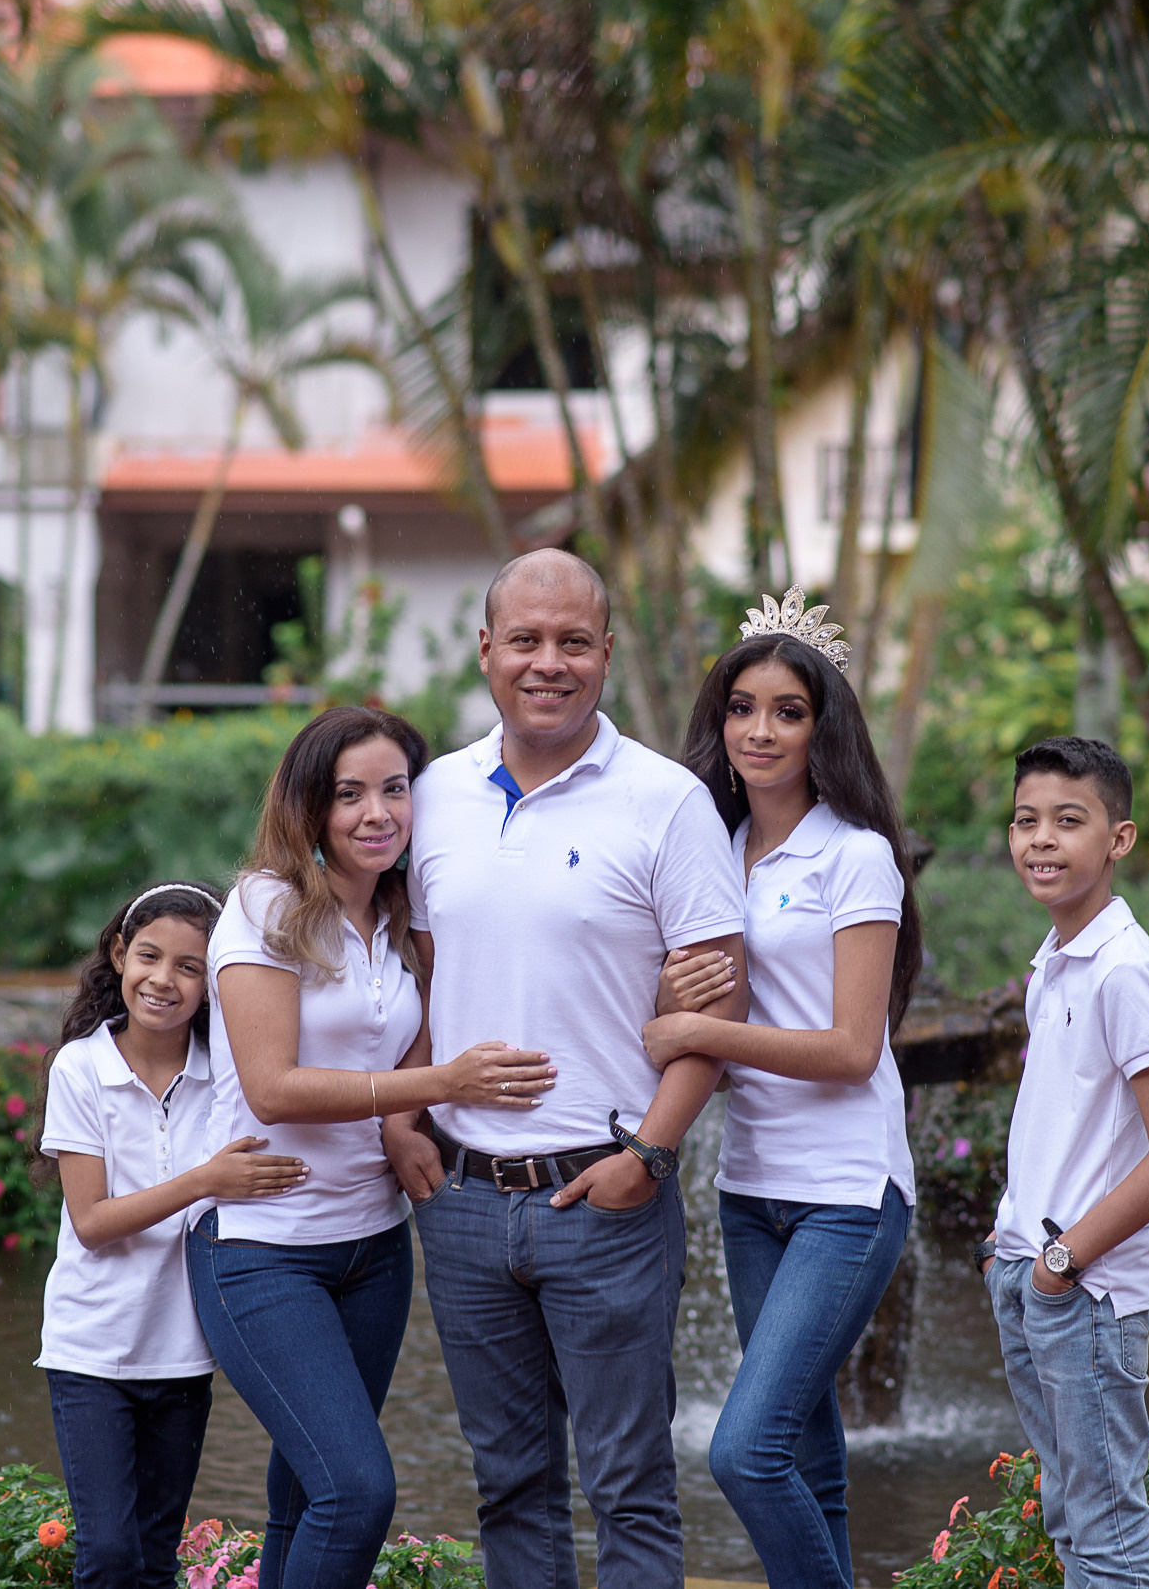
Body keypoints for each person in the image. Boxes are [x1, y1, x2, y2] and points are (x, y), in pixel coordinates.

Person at [381, 548, 751, 1589]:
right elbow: (425, 965)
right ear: (487, 650)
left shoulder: (666, 802)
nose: (550, 662)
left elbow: (721, 1007)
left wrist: (650, 1150)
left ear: (607, 654)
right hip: (460, 1199)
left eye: (573, 642)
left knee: (630, 1484)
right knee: (510, 1485)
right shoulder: (436, 796)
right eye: (528, 640)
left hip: (607, 1197)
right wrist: (402, 1113)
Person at [195, 705, 559, 1589]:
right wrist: (437, 1089)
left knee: (303, 1496)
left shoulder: (399, 918)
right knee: (358, 1493)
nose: (376, 813)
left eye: (394, 789)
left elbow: (444, 1014)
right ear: (310, 808)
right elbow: (274, 1087)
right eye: (348, 794)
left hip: (372, 1247)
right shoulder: (266, 910)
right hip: (263, 1250)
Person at [640, 600, 923, 1589]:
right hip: (752, 1188)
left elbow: (852, 1048)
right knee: (805, 1449)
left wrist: (698, 1028)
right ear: (718, 723)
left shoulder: (856, 856)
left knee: (743, 1450)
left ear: (822, 728)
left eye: (788, 711)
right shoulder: (702, 847)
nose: (761, 731)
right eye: (743, 708)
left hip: (847, 1189)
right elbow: (676, 996)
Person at [32, 880, 309, 1589]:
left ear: (216, 982)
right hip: (92, 1351)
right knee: (111, 1557)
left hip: (184, 1354)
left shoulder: (228, 1076)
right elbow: (91, 1224)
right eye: (150, 957)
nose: (164, 981)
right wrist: (202, 1181)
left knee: (156, 1559)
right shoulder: (82, 1069)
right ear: (120, 954)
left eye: (190, 967)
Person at [977, 737, 1149, 1589]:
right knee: (1072, 1518)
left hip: (1087, 1291)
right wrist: (1017, 1258)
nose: (1042, 839)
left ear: (1120, 839)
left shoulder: (1124, 969)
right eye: (1026, 820)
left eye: (1068, 821)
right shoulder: (1055, 961)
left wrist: (1061, 1263)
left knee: (1107, 1537)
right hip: (1034, 1274)